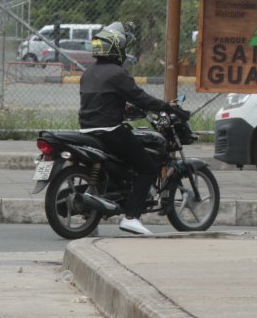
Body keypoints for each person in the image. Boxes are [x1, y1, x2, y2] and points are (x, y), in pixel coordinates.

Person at [78, 21, 189, 236]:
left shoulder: (88, 73)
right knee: (148, 167)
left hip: (88, 130)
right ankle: (132, 217)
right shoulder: (117, 73)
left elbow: (102, 100)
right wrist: (167, 107)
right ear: (117, 47)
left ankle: (94, 212)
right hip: (110, 131)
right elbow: (141, 98)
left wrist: (124, 108)